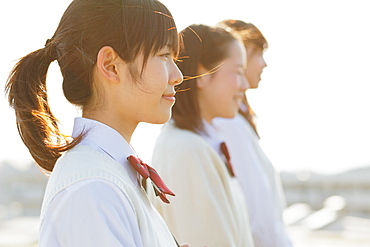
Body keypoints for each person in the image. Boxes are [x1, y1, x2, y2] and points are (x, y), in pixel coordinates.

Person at [5, 0, 188, 246]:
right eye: (164, 55)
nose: (178, 76)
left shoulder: (107, 175)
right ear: (110, 65)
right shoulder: (94, 188)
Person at [148, 24, 254, 247]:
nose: (245, 85)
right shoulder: (187, 150)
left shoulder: (196, 144)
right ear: (203, 74)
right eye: (237, 72)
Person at [213, 19, 294, 247]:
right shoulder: (229, 124)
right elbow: (258, 216)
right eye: (258, 52)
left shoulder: (235, 120)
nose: (264, 63)